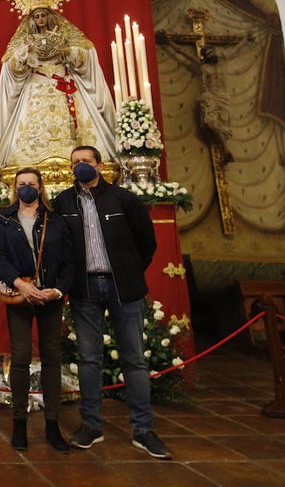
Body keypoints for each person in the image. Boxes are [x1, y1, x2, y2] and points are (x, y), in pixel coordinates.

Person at [52, 146, 173, 460]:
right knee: (89, 359)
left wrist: (128, 270)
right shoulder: (64, 201)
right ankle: (91, 425)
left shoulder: (123, 199)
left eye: (86, 162)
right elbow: (60, 246)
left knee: (134, 359)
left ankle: (143, 429)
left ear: (99, 165)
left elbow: (146, 242)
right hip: (85, 289)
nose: (81, 166)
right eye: (76, 162)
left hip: (124, 289)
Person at [0, 166, 74, 453]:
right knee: (21, 357)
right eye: (21, 183)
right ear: (15, 188)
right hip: (19, 294)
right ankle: (19, 423)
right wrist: (21, 285)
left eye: (32, 183)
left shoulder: (56, 220)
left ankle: (52, 424)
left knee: (52, 357)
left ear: (40, 188)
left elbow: (69, 261)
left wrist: (57, 290)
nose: (27, 187)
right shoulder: (3, 219)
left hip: (50, 296)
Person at [0, 6, 118, 177]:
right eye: (37, 16)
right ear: (32, 20)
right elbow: (12, 66)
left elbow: (85, 55)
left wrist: (66, 51)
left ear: (50, 17)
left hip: (63, 82)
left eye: (43, 15)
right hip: (35, 86)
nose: (41, 19)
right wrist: (25, 54)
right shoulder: (26, 40)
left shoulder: (63, 35)